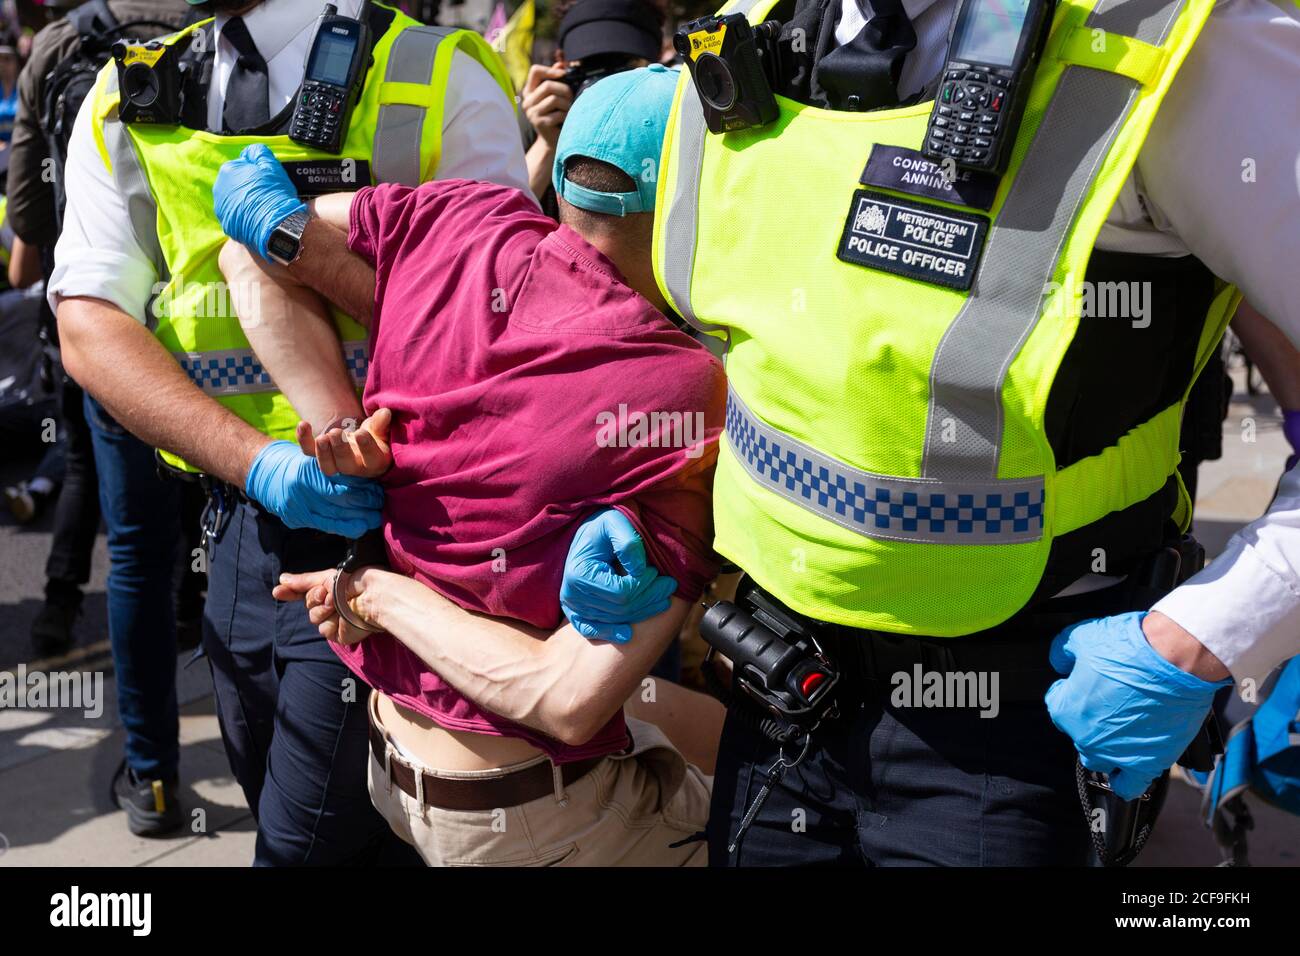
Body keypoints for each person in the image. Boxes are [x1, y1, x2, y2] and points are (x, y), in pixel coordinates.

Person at [575, 0, 1300, 866]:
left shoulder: (1177, 43)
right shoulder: (751, 27)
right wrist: (661, 510)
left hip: (1018, 725)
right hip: (777, 690)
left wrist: (1209, 634)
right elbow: (773, 351)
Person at [52, 0, 529, 864]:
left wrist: (301, 248)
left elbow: (507, 323)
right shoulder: (126, 97)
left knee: (302, 850)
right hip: (237, 531)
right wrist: (259, 465)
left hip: (410, 538)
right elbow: (88, 321)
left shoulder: (437, 75)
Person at [217, 65, 727, 866]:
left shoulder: (462, 212)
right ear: (695, 200)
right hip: (536, 809)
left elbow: (248, 250)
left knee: (727, 728)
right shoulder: (682, 381)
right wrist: (373, 591)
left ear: (561, 172)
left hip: (401, 758)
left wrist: (339, 429)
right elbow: (562, 703)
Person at [8, 0, 195, 836]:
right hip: (227, 334)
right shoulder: (223, 31)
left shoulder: (60, 43)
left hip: (106, 324)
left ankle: (153, 776)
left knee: (135, 554)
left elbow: (27, 217)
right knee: (245, 544)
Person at [520, 0, 663, 211]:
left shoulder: (672, 117)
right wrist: (548, 144)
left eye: (624, 67)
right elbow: (502, 224)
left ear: (658, 64)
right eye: (591, 67)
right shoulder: (540, 116)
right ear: (561, 65)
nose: (606, 86)